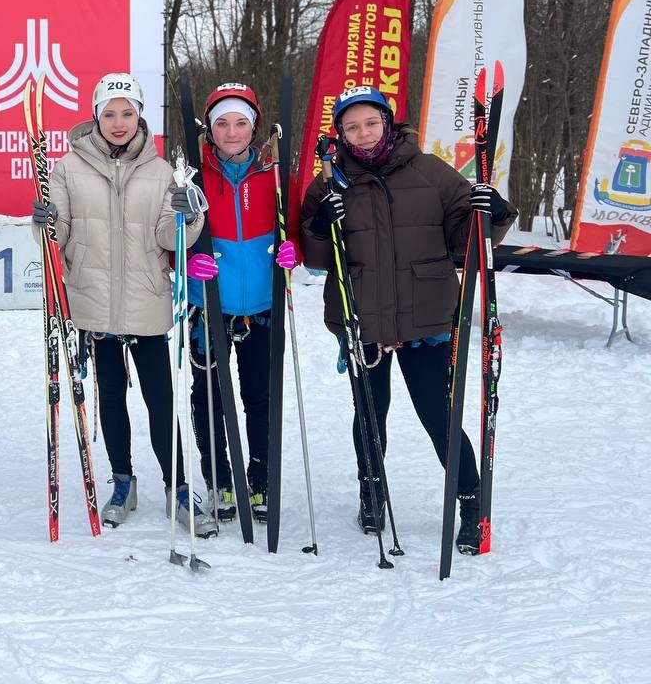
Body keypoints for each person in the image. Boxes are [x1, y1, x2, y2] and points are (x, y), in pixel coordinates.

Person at [298, 85, 515, 555]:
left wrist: (495, 215)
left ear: (388, 122)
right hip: (363, 317)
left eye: (370, 123)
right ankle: (371, 491)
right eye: (352, 127)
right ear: (340, 134)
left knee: (439, 415)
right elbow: (316, 259)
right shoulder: (329, 182)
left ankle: (471, 501)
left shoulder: (431, 172)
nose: (363, 133)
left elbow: (466, 239)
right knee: (369, 415)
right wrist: (319, 225)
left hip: (426, 318)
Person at [33, 72, 215, 536]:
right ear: (96, 116)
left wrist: (188, 216)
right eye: (110, 113)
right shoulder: (68, 168)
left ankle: (177, 487)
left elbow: (168, 237)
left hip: (146, 301)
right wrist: (44, 222)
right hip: (94, 303)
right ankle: (122, 483)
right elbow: (58, 235)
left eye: (127, 113)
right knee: (111, 398)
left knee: (160, 401)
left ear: (140, 117)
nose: (119, 122)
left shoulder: (161, 172)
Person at [182, 84, 297, 525]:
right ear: (210, 130)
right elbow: (169, 235)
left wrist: (293, 252)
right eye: (223, 124)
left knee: (259, 396)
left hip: (262, 306)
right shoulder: (191, 177)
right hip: (208, 306)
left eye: (241, 123)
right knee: (209, 396)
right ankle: (220, 481)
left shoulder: (274, 176)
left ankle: (262, 479)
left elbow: (297, 229)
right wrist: (185, 259)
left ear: (254, 127)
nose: (232, 132)